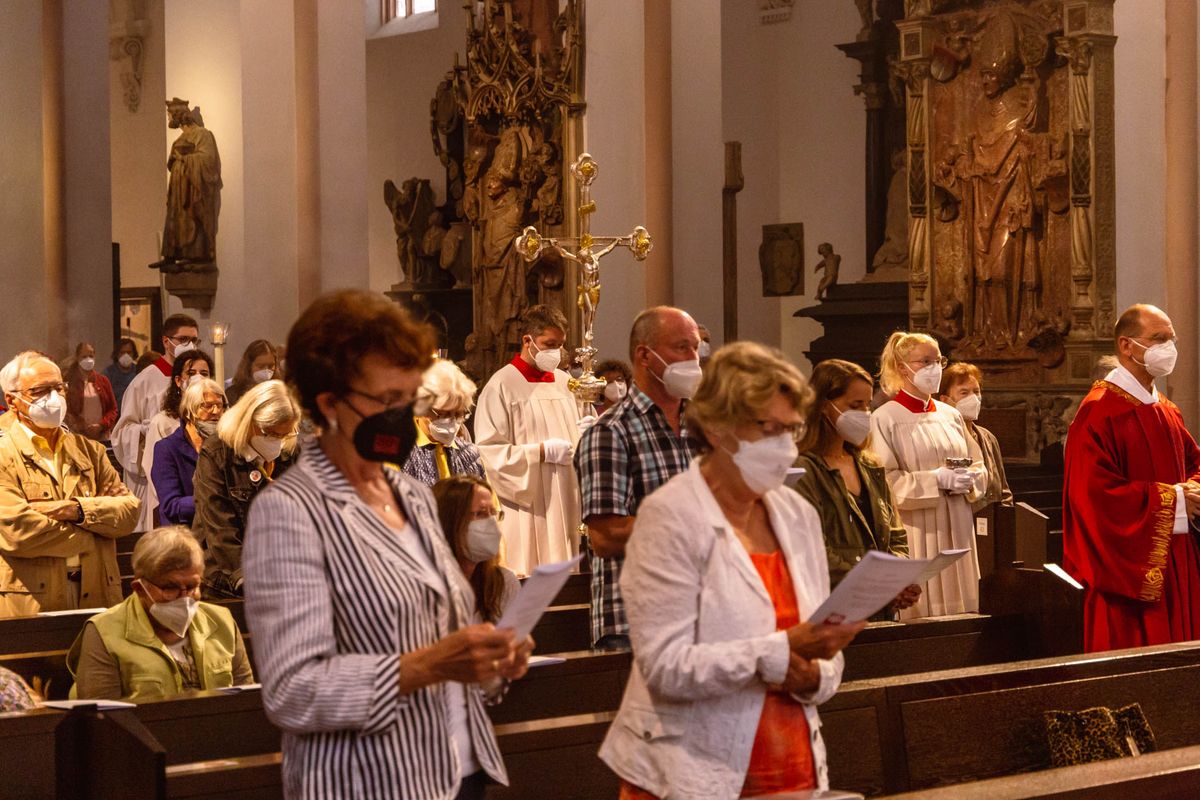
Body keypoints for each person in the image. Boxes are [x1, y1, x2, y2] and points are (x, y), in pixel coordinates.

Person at [243, 289, 531, 799]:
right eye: (386, 401)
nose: (402, 416)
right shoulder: (291, 511)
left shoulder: (411, 495)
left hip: (451, 767)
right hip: (363, 779)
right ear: (329, 404)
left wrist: (491, 658)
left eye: (409, 400)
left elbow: (443, 631)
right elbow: (293, 691)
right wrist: (427, 666)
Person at [600, 342, 864, 798]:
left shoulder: (797, 515)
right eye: (769, 428)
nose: (784, 446)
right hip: (692, 769)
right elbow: (666, 667)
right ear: (718, 426)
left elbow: (821, 644)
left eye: (791, 429)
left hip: (792, 762)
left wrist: (817, 675)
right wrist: (781, 652)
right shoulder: (670, 516)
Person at [1063, 304, 1200, 652]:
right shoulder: (1099, 411)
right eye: (1158, 339)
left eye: (1171, 339)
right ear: (1126, 345)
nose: (1168, 348)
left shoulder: (1166, 408)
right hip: (1128, 572)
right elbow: (1092, 497)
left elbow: (1194, 463)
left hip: (1176, 557)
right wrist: (1174, 501)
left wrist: (1192, 491)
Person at [575, 307, 700, 651]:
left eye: (696, 348)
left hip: (700, 615)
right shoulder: (610, 432)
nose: (693, 359)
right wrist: (693, 524)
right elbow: (605, 536)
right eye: (682, 347)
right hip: (635, 623)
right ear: (645, 356)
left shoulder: (703, 428)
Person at [0, 352, 139, 617]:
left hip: (96, 591)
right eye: (40, 391)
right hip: (33, 599)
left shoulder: (90, 451)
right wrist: (95, 531)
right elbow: (16, 530)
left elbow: (129, 514)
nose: (53, 398)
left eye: (58, 388)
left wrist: (75, 510)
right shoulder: (4, 452)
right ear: (12, 400)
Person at [869, 332, 986, 618]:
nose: (935, 368)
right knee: (925, 607)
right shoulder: (885, 418)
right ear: (902, 368)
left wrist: (970, 480)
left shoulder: (951, 415)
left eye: (939, 361)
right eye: (925, 362)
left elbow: (979, 464)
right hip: (919, 528)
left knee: (964, 604)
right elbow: (884, 482)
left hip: (958, 525)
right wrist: (936, 480)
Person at [792, 359, 920, 620]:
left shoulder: (869, 465)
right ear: (824, 406)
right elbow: (813, 549)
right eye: (854, 405)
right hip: (832, 608)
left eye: (867, 405)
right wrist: (876, 588)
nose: (864, 413)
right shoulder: (804, 468)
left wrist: (897, 579)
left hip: (877, 609)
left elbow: (895, 533)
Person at [69, 526, 253, 700]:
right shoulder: (104, 632)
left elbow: (246, 702)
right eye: (170, 588)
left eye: (192, 586)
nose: (185, 598)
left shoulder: (221, 621)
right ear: (140, 588)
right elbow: (102, 717)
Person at [475, 303, 582, 576]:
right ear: (527, 341)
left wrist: (588, 434)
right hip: (527, 504)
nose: (555, 353)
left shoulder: (565, 383)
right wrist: (540, 452)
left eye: (560, 345)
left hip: (565, 495)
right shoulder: (501, 385)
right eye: (549, 345)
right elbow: (488, 451)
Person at [193, 380, 299, 598]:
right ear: (250, 422)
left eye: (284, 435)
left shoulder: (288, 453)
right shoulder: (217, 453)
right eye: (272, 434)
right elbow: (220, 527)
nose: (278, 442)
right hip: (225, 579)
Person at [110, 313, 201, 534]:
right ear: (166, 342)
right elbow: (121, 433)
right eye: (183, 339)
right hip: (151, 471)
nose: (190, 345)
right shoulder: (144, 381)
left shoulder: (199, 380)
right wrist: (143, 430)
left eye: (194, 340)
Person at [140, 351, 215, 530]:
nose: (198, 378)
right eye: (191, 373)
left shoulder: (217, 422)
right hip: (181, 519)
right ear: (178, 381)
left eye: (204, 374)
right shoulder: (163, 422)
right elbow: (156, 474)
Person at [433, 474, 520, 624]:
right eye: (480, 513)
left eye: (493, 513)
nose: (491, 522)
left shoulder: (504, 583)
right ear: (449, 521)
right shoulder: (417, 588)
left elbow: (517, 635)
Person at [939, 362, 1013, 513]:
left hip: (990, 519)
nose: (973, 398)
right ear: (945, 400)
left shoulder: (987, 437)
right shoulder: (941, 437)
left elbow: (1003, 490)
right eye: (964, 393)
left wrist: (1005, 515)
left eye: (976, 392)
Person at [152, 379, 226, 526]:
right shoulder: (167, 449)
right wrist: (216, 500)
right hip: (183, 532)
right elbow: (171, 505)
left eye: (220, 406)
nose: (216, 412)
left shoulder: (226, 447)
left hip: (220, 529)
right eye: (208, 406)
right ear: (188, 412)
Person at [403, 359, 486, 485]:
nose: (451, 422)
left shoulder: (470, 454)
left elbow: (487, 496)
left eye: (458, 414)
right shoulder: (400, 453)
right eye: (443, 414)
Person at [64, 342, 119, 442]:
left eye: (91, 356)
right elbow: (67, 410)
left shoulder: (103, 381)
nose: (88, 360)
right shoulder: (71, 382)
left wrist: (101, 425)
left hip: (102, 436)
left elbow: (113, 409)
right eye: (84, 356)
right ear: (77, 358)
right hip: (79, 437)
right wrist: (83, 426)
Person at [225, 339, 278, 406]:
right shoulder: (233, 394)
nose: (266, 371)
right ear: (248, 366)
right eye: (261, 366)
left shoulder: (280, 391)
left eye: (271, 366)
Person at [103, 338, 140, 411]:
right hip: (115, 414)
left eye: (129, 352)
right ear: (117, 354)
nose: (126, 355)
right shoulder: (108, 373)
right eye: (122, 352)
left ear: (134, 354)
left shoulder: (138, 372)